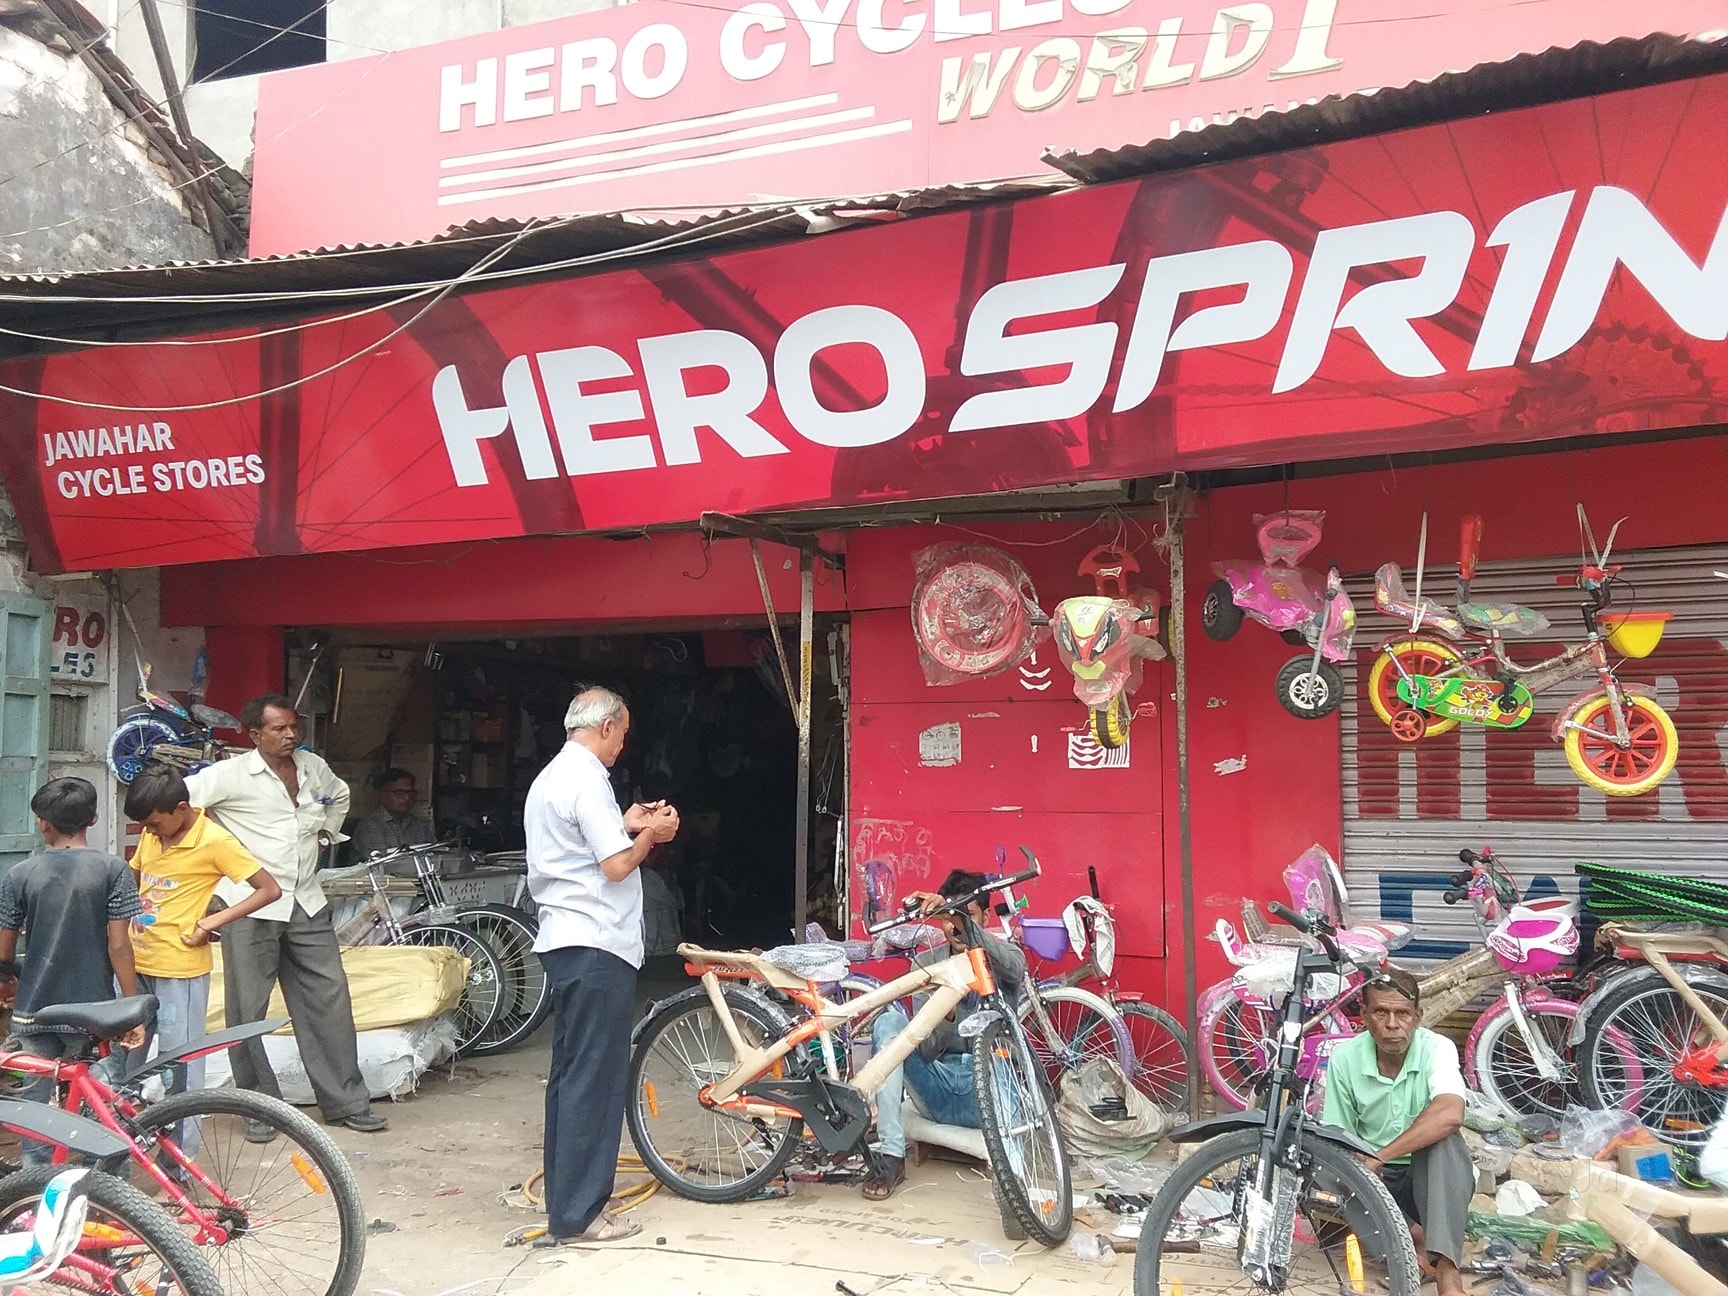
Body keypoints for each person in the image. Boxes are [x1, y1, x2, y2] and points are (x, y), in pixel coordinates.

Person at [187, 694, 386, 1136]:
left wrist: (326, 835)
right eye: (279, 729)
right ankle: (260, 1108)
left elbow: (340, 795)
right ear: (254, 735)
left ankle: (344, 1101)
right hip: (251, 902)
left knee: (329, 998)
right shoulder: (229, 775)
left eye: (293, 727)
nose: (291, 735)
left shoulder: (312, 768)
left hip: (306, 900)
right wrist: (209, 864)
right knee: (248, 1009)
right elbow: (179, 806)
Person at [525, 686, 679, 1247]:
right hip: (596, 944)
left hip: (568, 942)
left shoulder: (553, 777)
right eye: (624, 732)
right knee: (594, 1080)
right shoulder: (588, 779)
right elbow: (614, 864)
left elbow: (583, 844)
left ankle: (569, 1203)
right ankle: (582, 1214)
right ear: (608, 727)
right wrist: (651, 835)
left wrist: (625, 820)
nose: (624, 744)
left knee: (571, 1078)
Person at [122, 764, 283, 1146]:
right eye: (144, 826)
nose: (149, 832)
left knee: (181, 1067)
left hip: (180, 969)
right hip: (135, 964)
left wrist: (212, 922)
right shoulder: (153, 833)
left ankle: (179, 1166)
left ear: (181, 808)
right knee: (125, 1064)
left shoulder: (215, 841)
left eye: (155, 824)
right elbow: (134, 879)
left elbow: (268, 890)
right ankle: (121, 1155)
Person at [0, 778, 144, 1164]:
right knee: (104, 1114)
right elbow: (119, 946)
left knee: (34, 1116)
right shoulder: (114, 869)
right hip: (95, 1014)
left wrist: (10, 978)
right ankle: (108, 1198)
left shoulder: (21, 874)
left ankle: (34, 1202)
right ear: (94, 819)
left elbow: (4, 950)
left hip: (35, 1012)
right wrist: (131, 1009)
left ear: (43, 823)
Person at [864, 868, 1027, 1201]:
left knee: (1000, 1051)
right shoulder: (926, 965)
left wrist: (970, 935)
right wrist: (946, 1013)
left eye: (965, 916)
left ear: (982, 915)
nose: (955, 927)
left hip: (985, 1096)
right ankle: (892, 1156)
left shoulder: (1002, 957)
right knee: (889, 1024)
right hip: (935, 1093)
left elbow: (1016, 969)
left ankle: (1015, 1181)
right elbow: (927, 1050)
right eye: (948, 918)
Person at [1320, 966, 1473, 1296]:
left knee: (1445, 1143)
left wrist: (1382, 1155)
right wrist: (1362, 1164)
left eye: (1402, 1013)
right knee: (1333, 1170)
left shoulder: (1437, 1048)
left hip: (1427, 1179)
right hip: (1375, 1181)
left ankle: (1447, 1272)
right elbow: (1338, 1134)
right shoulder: (1344, 1059)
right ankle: (1409, 1252)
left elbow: (1451, 1113)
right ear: (1363, 1015)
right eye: (1381, 1012)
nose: (1392, 1024)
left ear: (1417, 1016)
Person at [348, 769, 433, 861]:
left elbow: (435, 853)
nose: (407, 797)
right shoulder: (370, 826)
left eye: (410, 793)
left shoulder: (417, 824)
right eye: (399, 793)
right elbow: (381, 863)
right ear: (382, 795)